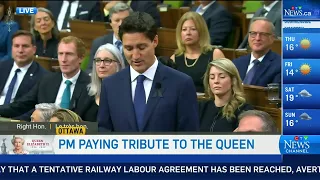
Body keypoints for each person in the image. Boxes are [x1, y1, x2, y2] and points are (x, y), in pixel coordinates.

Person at [98, 12, 199, 132]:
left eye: (141, 47)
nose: (135, 56)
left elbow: (189, 136)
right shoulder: (110, 85)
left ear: (155, 41)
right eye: (129, 48)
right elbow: (104, 131)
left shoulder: (181, 84)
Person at [0, 36, 98, 122]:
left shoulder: (91, 86)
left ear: (80, 58)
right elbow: (20, 105)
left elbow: (90, 124)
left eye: (69, 54)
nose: (63, 59)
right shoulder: (47, 81)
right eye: (60, 54)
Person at [171, 12, 225, 93]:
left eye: (193, 29)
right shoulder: (174, 58)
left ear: (201, 32)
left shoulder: (215, 54)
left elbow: (224, 84)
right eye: (184, 29)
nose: (188, 33)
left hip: (208, 102)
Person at [199, 58, 253, 132]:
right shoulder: (202, 107)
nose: (216, 81)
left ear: (233, 81)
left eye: (222, 77)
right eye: (212, 77)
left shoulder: (244, 110)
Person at [0, 31, 47, 106]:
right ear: (12, 48)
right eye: (16, 46)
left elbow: (34, 108)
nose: (20, 50)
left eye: (25, 46)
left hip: (16, 116)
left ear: (34, 49)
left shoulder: (42, 76)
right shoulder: (2, 67)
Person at [233, 17, 281, 87]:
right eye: (253, 33)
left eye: (263, 34)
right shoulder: (237, 63)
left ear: (272, 38)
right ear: (248, 37)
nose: (257, 38)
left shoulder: (280, 66)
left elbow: (274, 95)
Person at [87, 2, 132, 73]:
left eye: (124, 20)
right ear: (110, 23)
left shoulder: (138, 44)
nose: (120, 24)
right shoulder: (99, 43)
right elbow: (90, 70)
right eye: (117, 20)